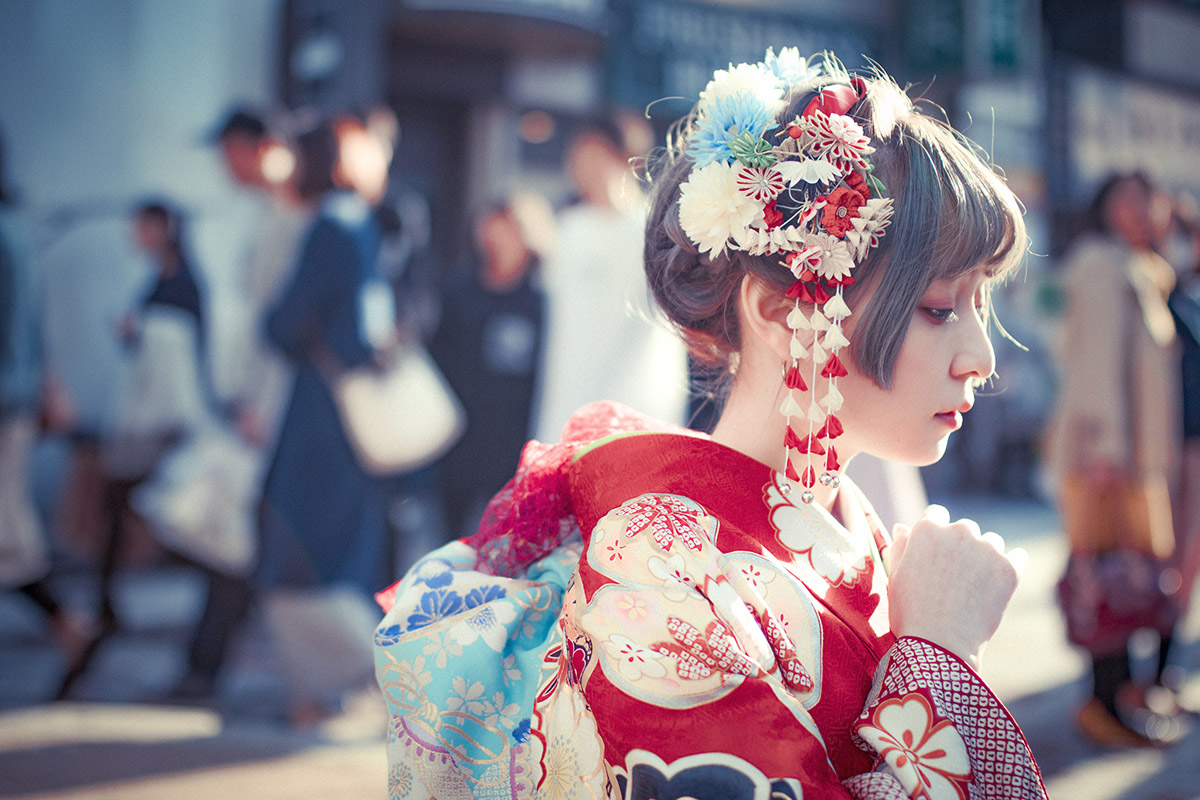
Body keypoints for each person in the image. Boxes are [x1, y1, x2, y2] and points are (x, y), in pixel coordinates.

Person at [374, 49, 1047, 798]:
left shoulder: (855, 544)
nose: (980, 357)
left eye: (981, 304)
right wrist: (940, 658)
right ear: (781, 312)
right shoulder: (658, 573)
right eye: (938, 308)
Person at [256, 115, 391, 726]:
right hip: (354, 415)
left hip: (317, 411)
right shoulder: (361, 224)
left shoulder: (327, 228)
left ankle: (338, 683)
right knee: (338, 550)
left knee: (297, 549)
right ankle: (327, 688)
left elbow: (283, 325)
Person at [1046, 172, 1182, 747]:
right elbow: (1098, 365)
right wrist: (1105, 447)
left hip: (1133, 457)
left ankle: (1116, 699)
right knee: (1107, 580)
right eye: (1126, 197)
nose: (1140, 208)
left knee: (1124, 577)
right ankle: (1103, 704)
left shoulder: (1142, 267)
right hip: (1110, 456)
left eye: (1146, 197)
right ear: (1104, 207)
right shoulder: (1104, 264)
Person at [533, 116, 689, 441]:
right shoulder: (567, 229)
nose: (582, 167)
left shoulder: (655, 229)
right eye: (577, 156)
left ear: (625, 157)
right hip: (568, 400)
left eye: (593, 154)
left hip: (640, 403)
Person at [0, 123, 91, 670]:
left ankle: (71, 624)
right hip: (16, 401)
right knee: (10, 539)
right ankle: (71, 625)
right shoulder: (18, 228)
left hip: (5, 404)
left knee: (11, 540)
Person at [431, 196, 547, 540]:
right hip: (459, 441)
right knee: (452, 542)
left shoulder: (541, 300)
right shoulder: (459, 292)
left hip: (513, 447)